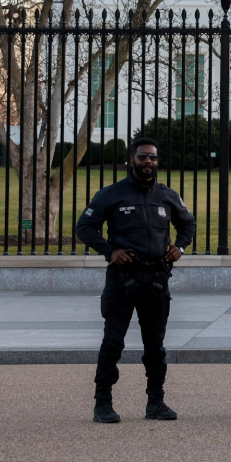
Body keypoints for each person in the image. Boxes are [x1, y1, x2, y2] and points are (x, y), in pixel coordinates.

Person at [76, 137, 195, 424]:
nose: (148, 162)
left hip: (156, 279)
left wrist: (179, 246)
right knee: (113, 342)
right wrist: (110, 250)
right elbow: (85, 227)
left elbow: (187, 223)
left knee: (155, 345)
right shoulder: (111, 194)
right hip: (123, 280)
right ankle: (102, 403)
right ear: (132, 160)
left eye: (152, 157)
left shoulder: (167, 195)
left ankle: (156, 402)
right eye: (143, 157)